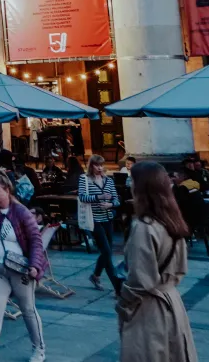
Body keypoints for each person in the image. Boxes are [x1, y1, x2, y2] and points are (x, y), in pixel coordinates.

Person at [118, 161, 196, 362]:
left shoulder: (144, 227)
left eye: (132, 180)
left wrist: (123, 302)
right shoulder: (172, 221)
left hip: (150, 309)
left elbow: (140, 280)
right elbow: (181, 269)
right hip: (173, 303)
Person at [0, 174, 47, 362]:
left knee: (28, 309)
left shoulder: (21, 212)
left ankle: (39, 349)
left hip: (20, 270)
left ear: (7, 190)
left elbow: (36, 240)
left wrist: (35, 265)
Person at [78, 153, 122, 294]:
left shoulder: (108, 180)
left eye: (102, 165)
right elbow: (82, 197)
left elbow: (116, 199)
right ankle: (118, 288)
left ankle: (96, 275)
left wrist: (110, 204)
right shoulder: (84, 179)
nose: (100, 168)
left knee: (106, 252)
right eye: (97, 165)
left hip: (107, 218)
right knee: (107, 251)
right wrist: (99, 197)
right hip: (94, 220)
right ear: (91, 166)